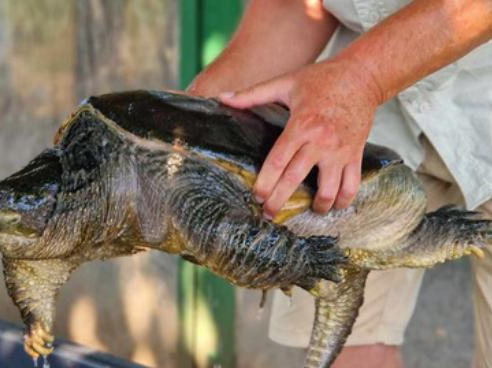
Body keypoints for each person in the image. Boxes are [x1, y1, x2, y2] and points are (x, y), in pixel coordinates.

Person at [187, 1, 492, 367]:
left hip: (390, 80)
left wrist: (362, 79)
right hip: (365, 102)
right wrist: (207, 111)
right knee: (343, 345)